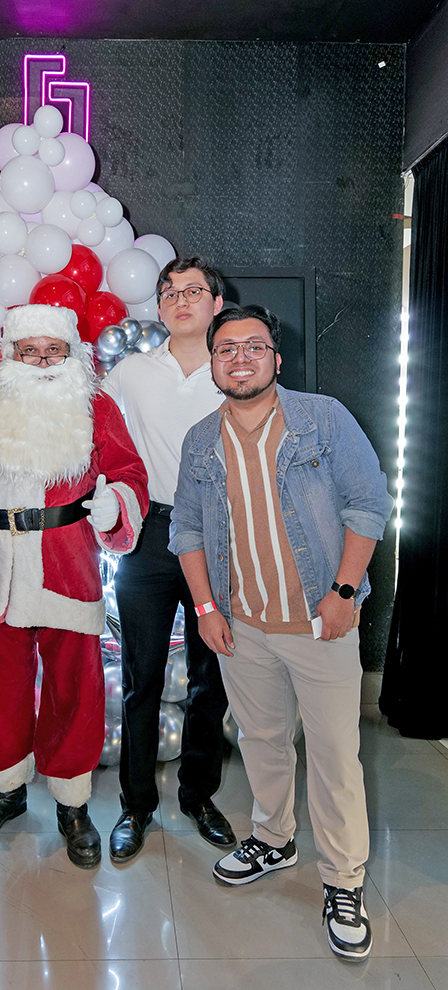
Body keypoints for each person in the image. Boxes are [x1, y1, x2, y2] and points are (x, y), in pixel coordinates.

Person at [169, 304, 393, 961]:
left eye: (254, 347)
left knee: (334, 756)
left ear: (276, 357)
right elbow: (186, 528)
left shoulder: (322, 419)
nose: (239, 358)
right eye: (226, 349)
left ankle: (343, 880)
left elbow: (368, 503)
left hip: (320, 624)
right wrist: (206, 609)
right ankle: (273, 839)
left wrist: (344, 593)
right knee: (262, 743)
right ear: (212, 364)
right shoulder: (199, 440)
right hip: (242, 625)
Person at [0, 303, 148, 869]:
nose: (41, 361)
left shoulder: (95, 404)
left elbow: (129, 472)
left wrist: (116, 503)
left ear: (71, 355)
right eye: (29, 351)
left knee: (74, 688)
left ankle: (72, 803)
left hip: (66, 562)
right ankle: (7, 789)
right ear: (9, 354)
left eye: (53, 351)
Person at [101, 255, 234, 863]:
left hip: (220, 536)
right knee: (141, 677)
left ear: (216, 304)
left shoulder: (234, 368)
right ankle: (135, 805)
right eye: (170, 292)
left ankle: (199, 797)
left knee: (212, 676)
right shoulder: (131, 372)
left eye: (194, 290)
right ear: (158, 307)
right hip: (150, 534)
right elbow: (92, 430)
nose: (181, 300)